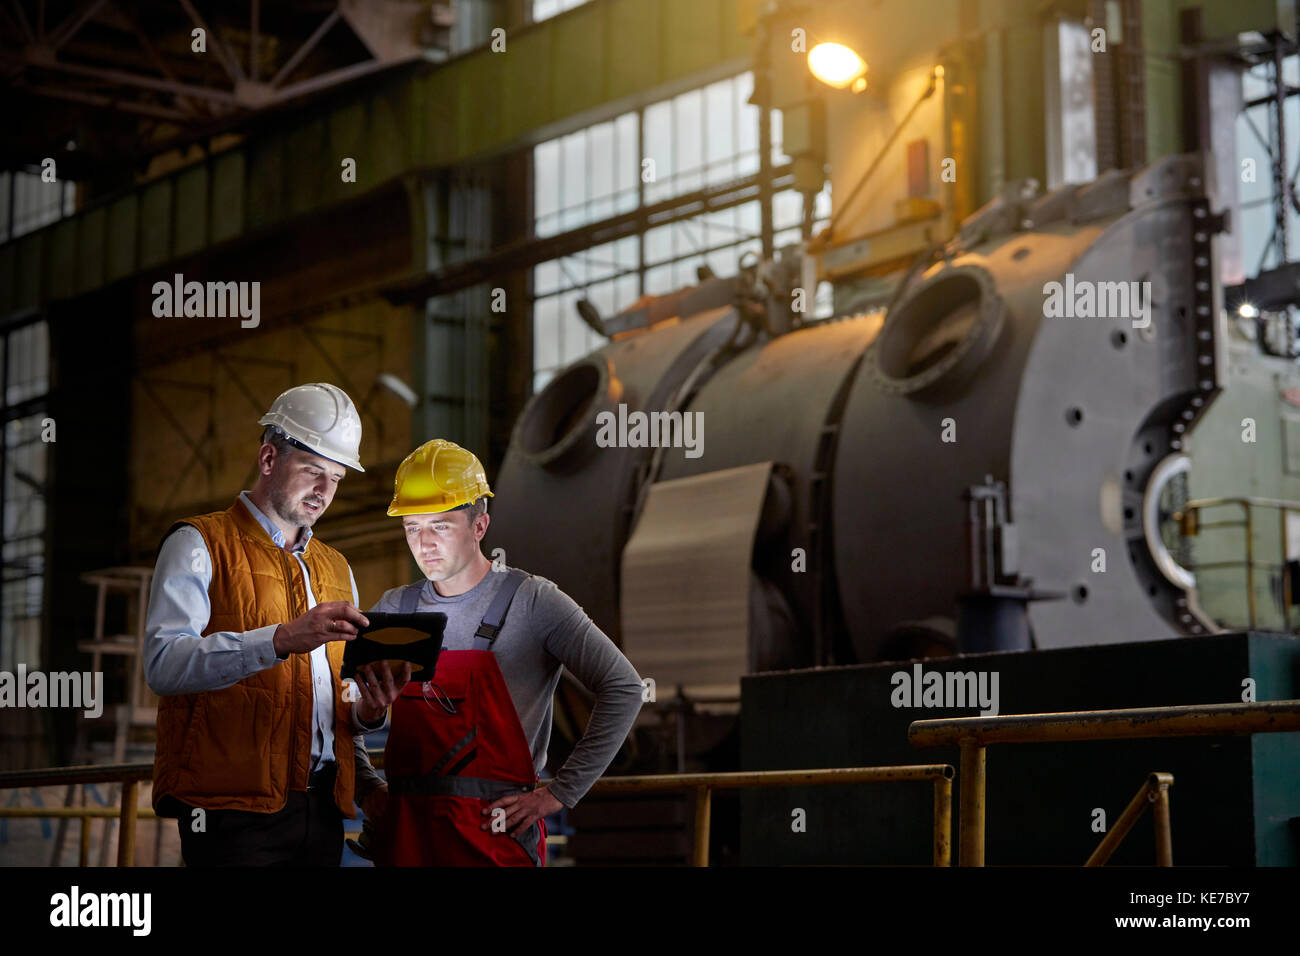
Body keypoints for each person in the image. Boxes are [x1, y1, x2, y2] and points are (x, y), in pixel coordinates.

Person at [144, 382, 407, 866]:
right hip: (230, 813)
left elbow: (334, 697)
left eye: (336, 477)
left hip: (324, 808)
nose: (325, 491)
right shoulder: (199, 543)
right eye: (312, 471)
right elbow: (163, 665)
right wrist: (282, 638)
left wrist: (369, 710)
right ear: (268, 460)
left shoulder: (336, 569)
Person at [360, 439, 643, 866]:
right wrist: (366, 783)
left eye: (441, 525)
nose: (424, 543)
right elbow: (343, 720)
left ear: (479, 526)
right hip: (407, 836)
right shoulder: (393, 609)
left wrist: (559, 793)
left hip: (495, 836)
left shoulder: (531, 603)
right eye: (412, 527)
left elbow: (624, 688)